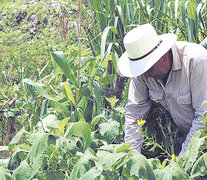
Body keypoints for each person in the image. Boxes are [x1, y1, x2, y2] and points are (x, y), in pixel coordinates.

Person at [118, 23, 207, 158]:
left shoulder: (196, 61)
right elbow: (135, 113)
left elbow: (204, 117)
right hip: (185, 136)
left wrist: (182, 161)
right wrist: (133, 159)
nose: (146, 76)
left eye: (148, 69)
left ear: (164, 56)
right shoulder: (143, 74)